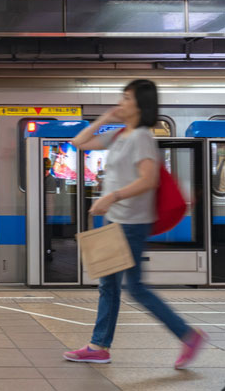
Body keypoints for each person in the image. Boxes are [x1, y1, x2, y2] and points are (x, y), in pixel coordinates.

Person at [64, 79, 207, 368]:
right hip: (116, 220)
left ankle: (186, 335)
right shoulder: (119, 135)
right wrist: (105, 118)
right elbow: (77, 143)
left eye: (127, 98)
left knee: (134, 288)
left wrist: (111, 196)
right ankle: (99, 346)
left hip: (131, 222)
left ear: (141, 104)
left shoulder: (142, 137)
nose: (122, 102)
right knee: (110, 285)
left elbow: (148, 180)